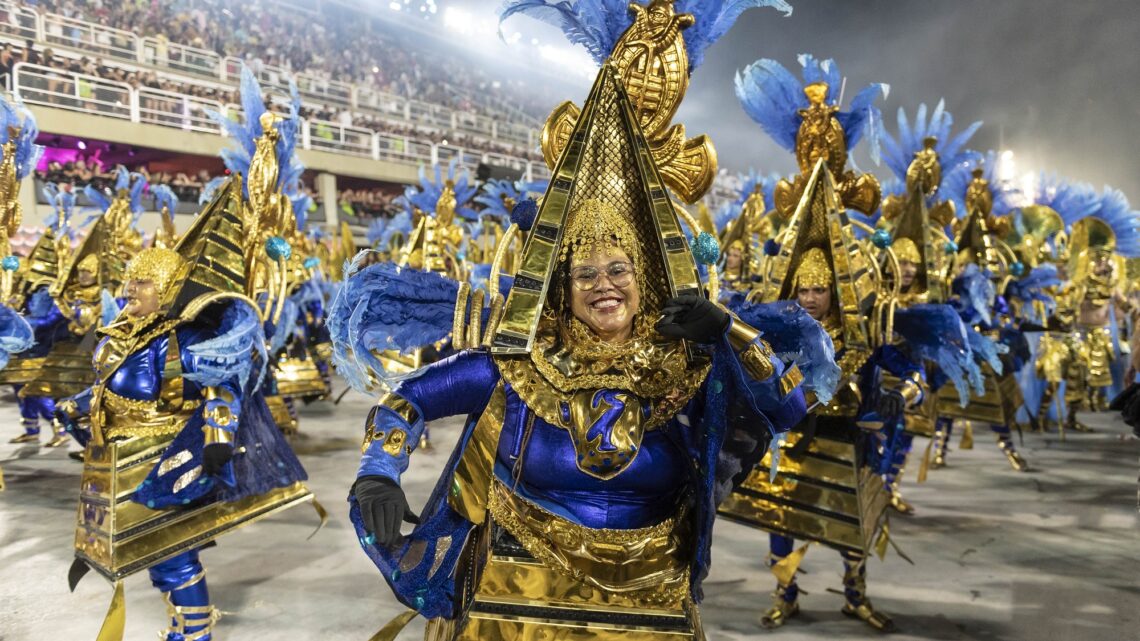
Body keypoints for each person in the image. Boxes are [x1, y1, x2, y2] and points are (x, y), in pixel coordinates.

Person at [335, 2, 809, 638]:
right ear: (563, 287)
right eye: (585, 275)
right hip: (517, 608)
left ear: (645, 281)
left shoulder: (687, 365)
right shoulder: (519, 364)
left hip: (650, 606)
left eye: (619, 271)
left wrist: (728, 330)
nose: (603, 287)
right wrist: (378, 471)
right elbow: (405, 402)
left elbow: (790, 404)